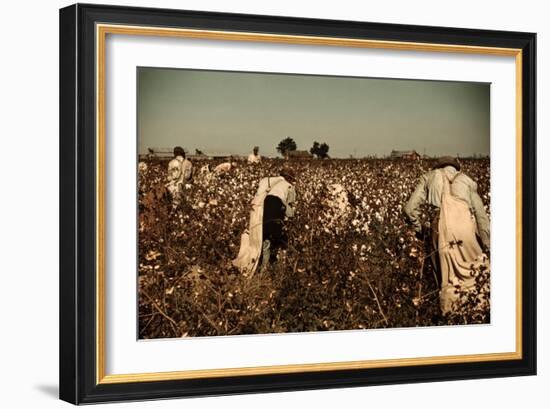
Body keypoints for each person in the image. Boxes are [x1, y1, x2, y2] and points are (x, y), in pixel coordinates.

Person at [404, 156, 490, 314]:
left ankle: (450, 316)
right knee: (476, 271)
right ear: (456, 168)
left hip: (439, 228)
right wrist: (487, 244)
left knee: (446, 278)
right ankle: (477, 313)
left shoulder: (429, 177)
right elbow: (481, 216)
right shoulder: (466, 180)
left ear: (438, 167)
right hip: (466, 227)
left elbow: (409, 209)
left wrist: (420, 230)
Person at [232, 167, 297, 276]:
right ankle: (263, 272)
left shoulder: (265, 180)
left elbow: (258, 196)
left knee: (255, 241)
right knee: (269, 241)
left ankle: (249, 265)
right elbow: (290, 213)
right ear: (288, 178)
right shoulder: (289, 186)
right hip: (273, 210)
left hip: (257, 211)